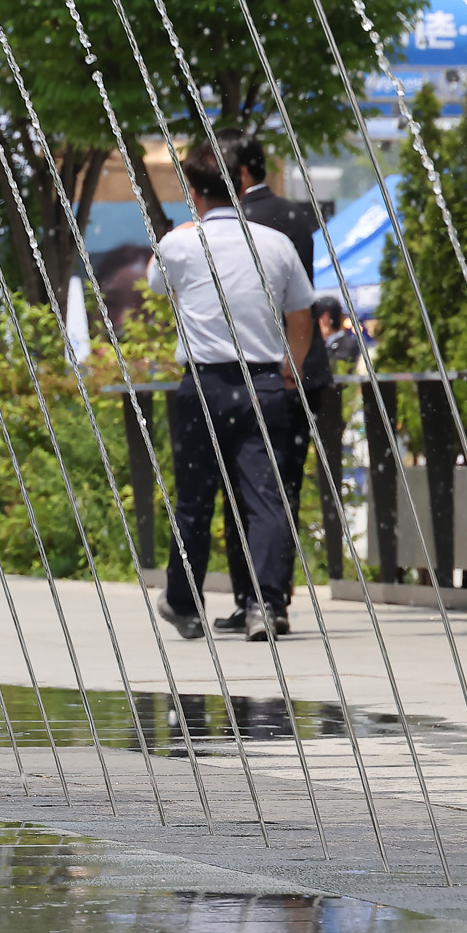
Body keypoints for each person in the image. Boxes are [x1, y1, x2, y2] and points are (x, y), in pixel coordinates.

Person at [148, 140, 316, 643]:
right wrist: (292, 368)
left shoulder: (178, 244)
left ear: (194, 195)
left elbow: (161, 287)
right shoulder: (275, 243)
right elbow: (301, 313)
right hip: (263, 383)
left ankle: (185, 604)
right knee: (265, 496)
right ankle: (264, 603)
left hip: (204, 385)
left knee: (195, 498)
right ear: (240, 186)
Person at [214, 132, 330, 635]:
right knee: (280, 487)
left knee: (245, 489)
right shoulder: (296, 217)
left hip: (262, 369)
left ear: (238, 174)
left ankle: (256, 598)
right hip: (305, 367)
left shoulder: (239, 228)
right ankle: (270, 597)